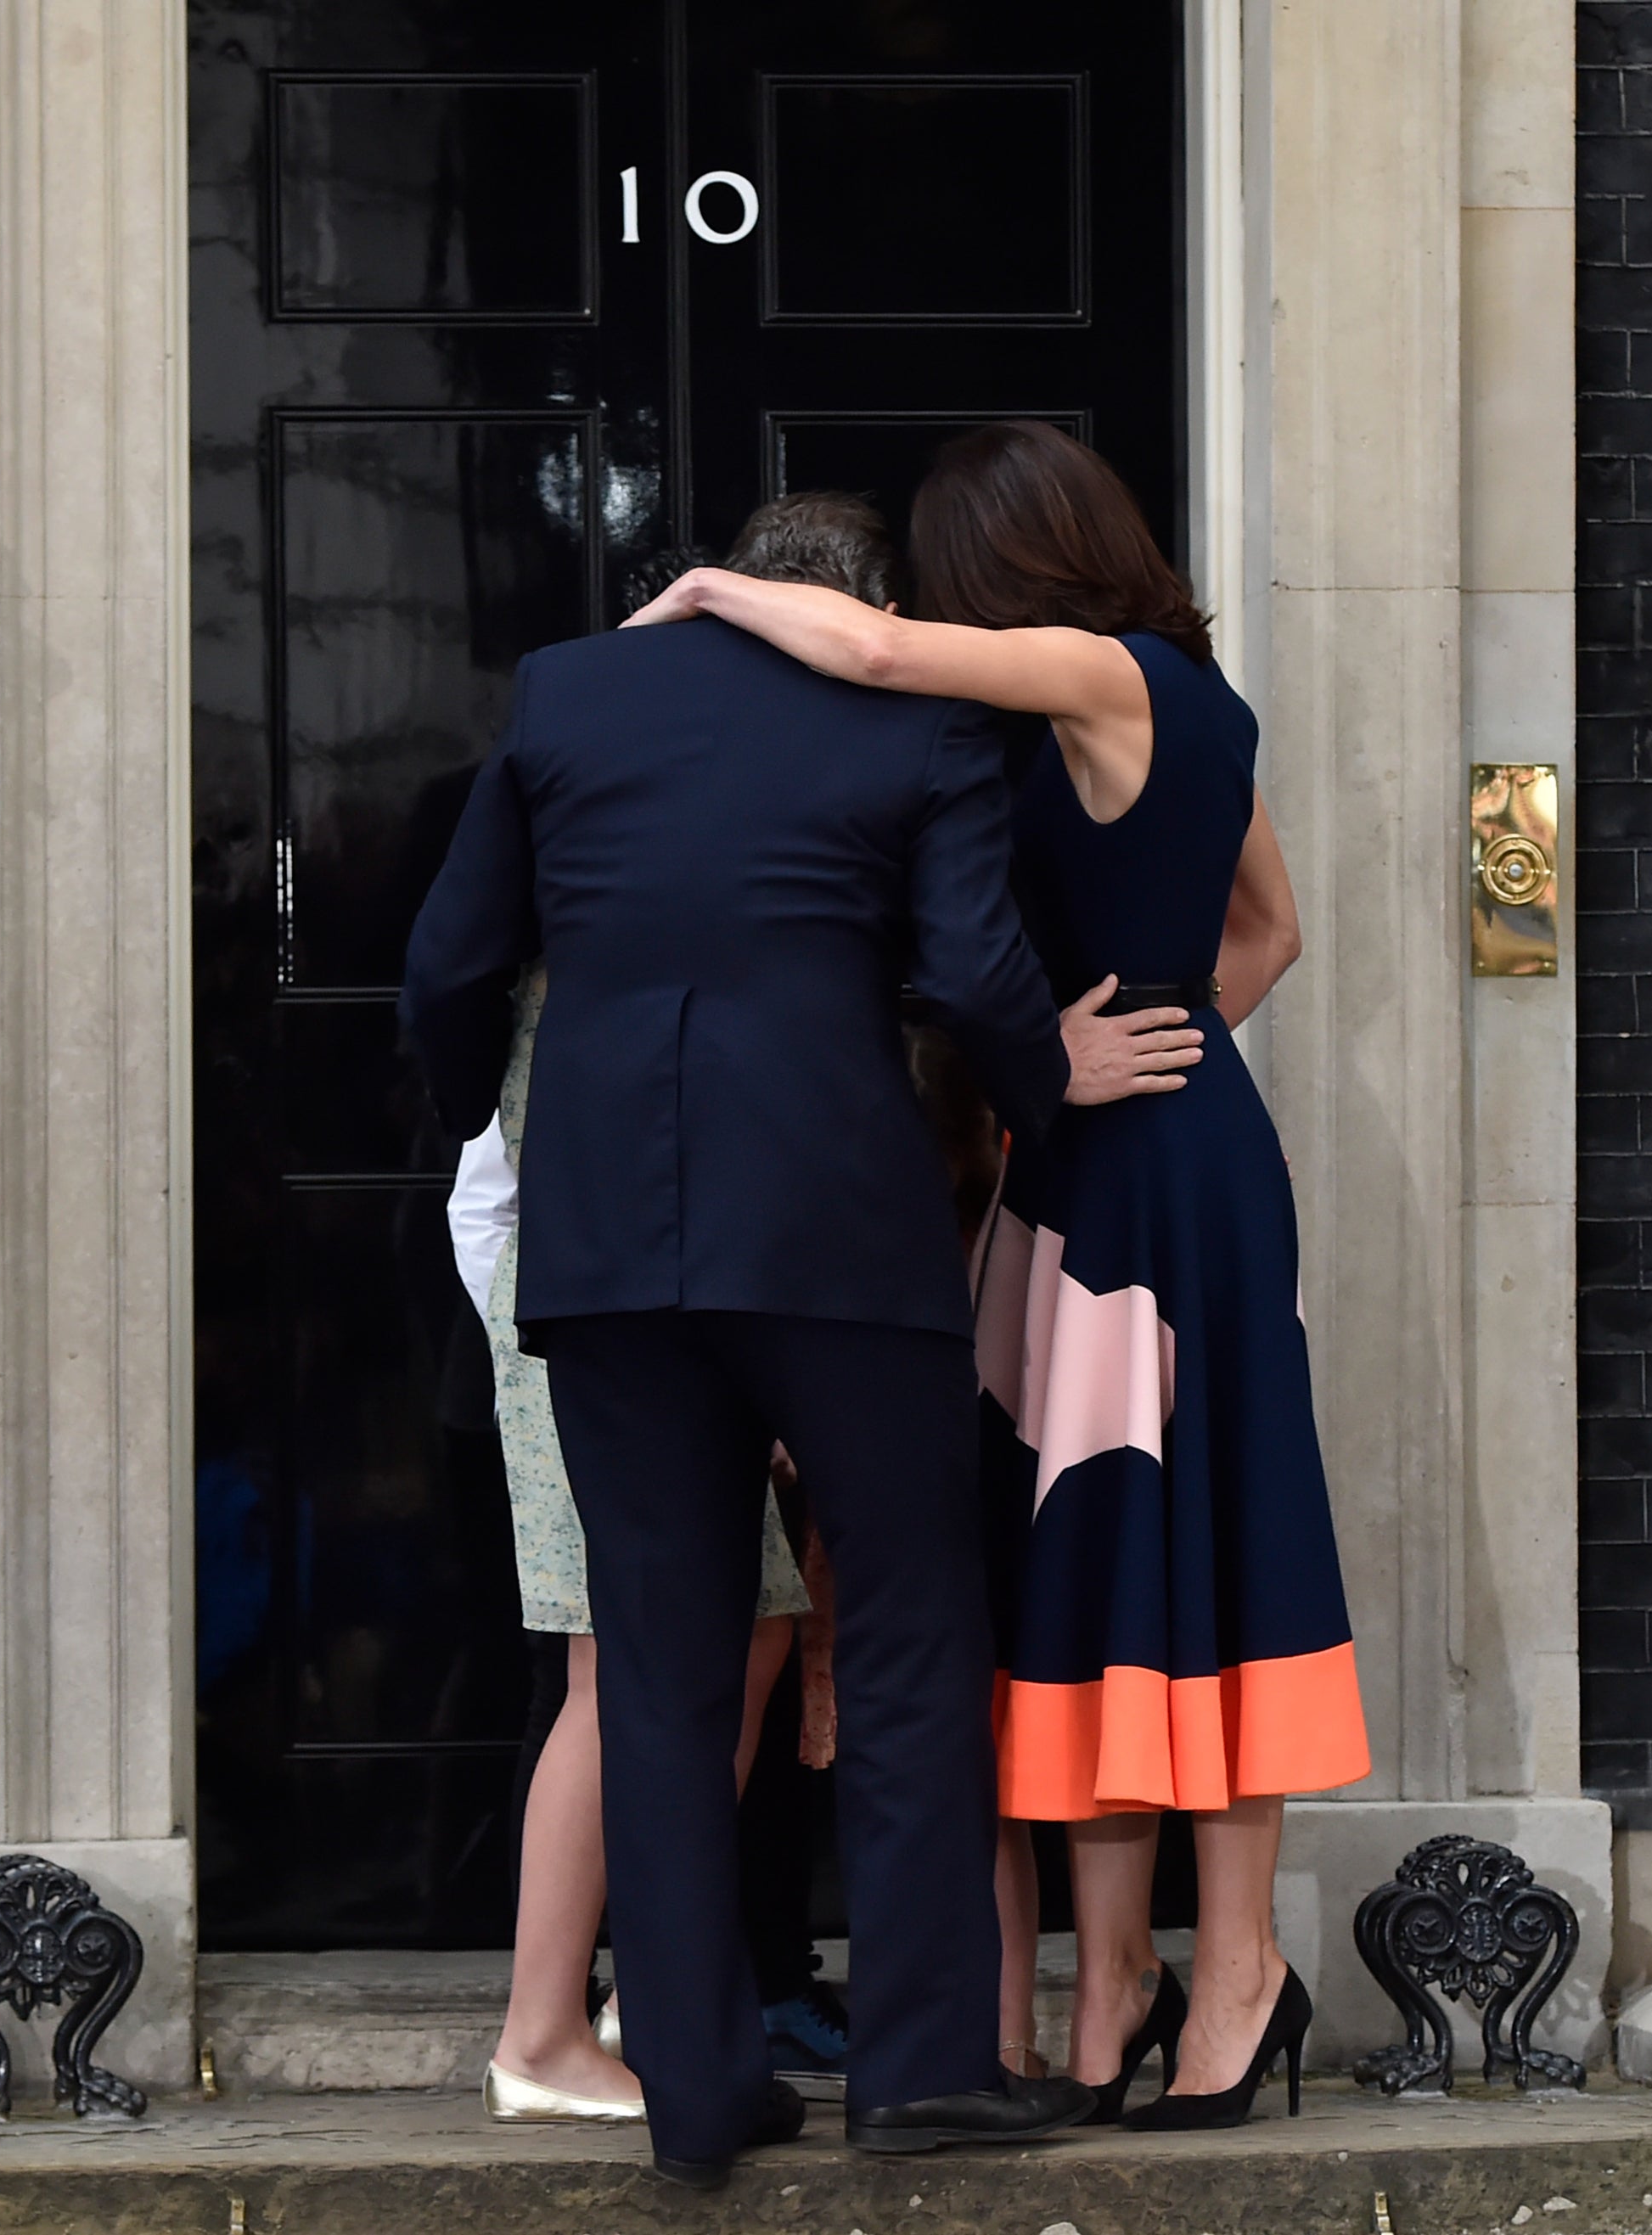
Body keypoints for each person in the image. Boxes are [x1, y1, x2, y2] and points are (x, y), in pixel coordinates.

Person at [402, 491, 1166, 2188]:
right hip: (838, 1233)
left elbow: (446, 968)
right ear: (858, 607)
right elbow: (974, 976)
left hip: (608, 1246)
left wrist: (497, 1123)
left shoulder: (564, 695)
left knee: (660, 1660)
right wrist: (1045, 1090)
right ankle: (915, 2075)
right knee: (900, 1635)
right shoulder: (920, 716)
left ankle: (695, 2088)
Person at [623, 421, 1374, 2132]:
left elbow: (878, 643)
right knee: (1119, 1572)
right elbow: (1271, 933)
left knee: (1177, 1561)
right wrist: (1131, 1063)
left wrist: (701, 590)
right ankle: (1129, 1994)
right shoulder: (1196, 706)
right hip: (1127, 1169)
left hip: (1135, 1188)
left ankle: (1232, 1979)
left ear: (1014, 563)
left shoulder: (1103, 674)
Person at [448, 953, 809, 2126]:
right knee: (616, 1666)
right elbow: (483, 1194)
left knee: (752, 1632)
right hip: (587, 1316)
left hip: (674, 1311)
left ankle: (648, 1988)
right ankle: (540, 2033)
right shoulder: (552, 956)